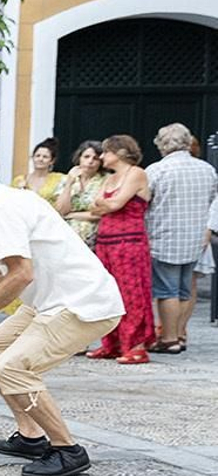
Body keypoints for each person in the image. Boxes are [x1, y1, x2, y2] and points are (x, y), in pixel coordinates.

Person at [0, 137, 125, 476]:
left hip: (80, 302)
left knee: (13, 366)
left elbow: (22, 274)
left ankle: (67, 450)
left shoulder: (0, 208)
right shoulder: (6, 200)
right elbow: (25, 256)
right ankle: (31, 436)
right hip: (50, 300)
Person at [143, 122, 217, 354]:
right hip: (195, 238)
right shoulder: (206, 169)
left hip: (164, 237)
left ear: (162, 144)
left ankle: (169, 338)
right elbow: (215, 200)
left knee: (167, 291)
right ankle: (180, 335)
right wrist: (209, 228)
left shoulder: (156, 170)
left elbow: (143, 202)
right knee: (184, 291)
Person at [86, 135, 154, 364]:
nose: (102, 156)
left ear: (120, 152)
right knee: (108, 292)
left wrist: (107, 205)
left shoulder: (136, 173)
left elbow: (115, 204)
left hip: (129, 243)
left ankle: (135, 345)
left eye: (106, 151)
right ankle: (112, 343)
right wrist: (107, 205)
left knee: (132, 292)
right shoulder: (109, 178)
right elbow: (94, 207)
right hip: (106, 242)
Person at [54, 140, 108, 248]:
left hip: (95, 237)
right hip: (66, 236)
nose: (90, 161)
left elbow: (101, 213)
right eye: (86, 157)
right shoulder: (67, 178)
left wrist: (72, 215)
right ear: (79, 158)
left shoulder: (106, 180)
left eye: (95, 158)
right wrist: (69, 183)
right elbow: (61, 210)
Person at [13, 137, 66, 205]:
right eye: (37, 156)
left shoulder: (60, 179)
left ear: (52, 161)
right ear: (32, 157)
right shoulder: (18, 180)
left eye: (45, 157)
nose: (40, 159)